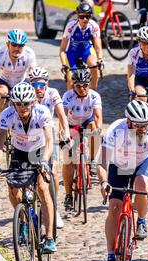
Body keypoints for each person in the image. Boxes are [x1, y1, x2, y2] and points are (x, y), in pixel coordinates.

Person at [97, 100, 148, 261]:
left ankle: (141, 220)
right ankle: (110, 256)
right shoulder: (115, 130)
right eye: (138, 125)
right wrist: (104, 182)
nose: (142, 128)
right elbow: (102, 162)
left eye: (145, 124)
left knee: (142, 182)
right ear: (128, 121)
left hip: (142, 163)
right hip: (121, 166)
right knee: (114, 208)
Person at [0, 82, 57, 253]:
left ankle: (49, 237)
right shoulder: (7, 115)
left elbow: (50, 141)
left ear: (33, 102)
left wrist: (44, 161)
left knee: (43, 189)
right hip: (19, 151)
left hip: (39, 151)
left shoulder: (42, 112)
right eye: (18, 104)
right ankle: (22, 219)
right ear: (13, 104)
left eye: (26, 103)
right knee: (13, 190)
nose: (22, 107)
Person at [28, 67, 71, 229]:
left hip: (47, 133)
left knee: (53, 172)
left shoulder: (52, 93)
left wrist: (65, 132)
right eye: (34, 84)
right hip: (30, 135)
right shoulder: (27, 93)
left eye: (41, 84)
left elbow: (61, 114)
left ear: (46, 84)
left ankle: (54, 208)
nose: (38, 87)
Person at [62, 69, 103, 211]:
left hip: (87, 121)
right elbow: (63, 116)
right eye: (78, 86)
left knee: (94, 129)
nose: (82, 88)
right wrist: (64, 135)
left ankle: (91, 160)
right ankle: (68, 194)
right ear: (73, 85)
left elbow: (98, 117)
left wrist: (98, 130)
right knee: (69, 159)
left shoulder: (94, 96)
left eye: (85, 85)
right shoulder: (68, 96)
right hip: (72, 124)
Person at [0, 29, 36, 112]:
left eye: (20, 45)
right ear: (8, 44)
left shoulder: (29, 53)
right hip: (4, 80)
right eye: (14, 44)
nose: (17, 48)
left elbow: (33, 72)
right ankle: (1, 116)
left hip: (21, 81)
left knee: (30, 104)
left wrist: (35, 87)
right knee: (3, 92)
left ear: (24, 45)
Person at [60, 2, 104, 90]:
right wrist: (64, 64)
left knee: (94, 65)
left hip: (86, 50)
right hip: (72, 52)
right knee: (71, 81)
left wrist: (100, 59)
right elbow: (62, 49)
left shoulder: (93, 26)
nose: (84, 19)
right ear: (77, 16)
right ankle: (70, 100)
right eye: (81, 16)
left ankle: (92, 91)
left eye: (87, 16)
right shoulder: (71, 26)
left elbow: (98, 45)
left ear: (91, 16)